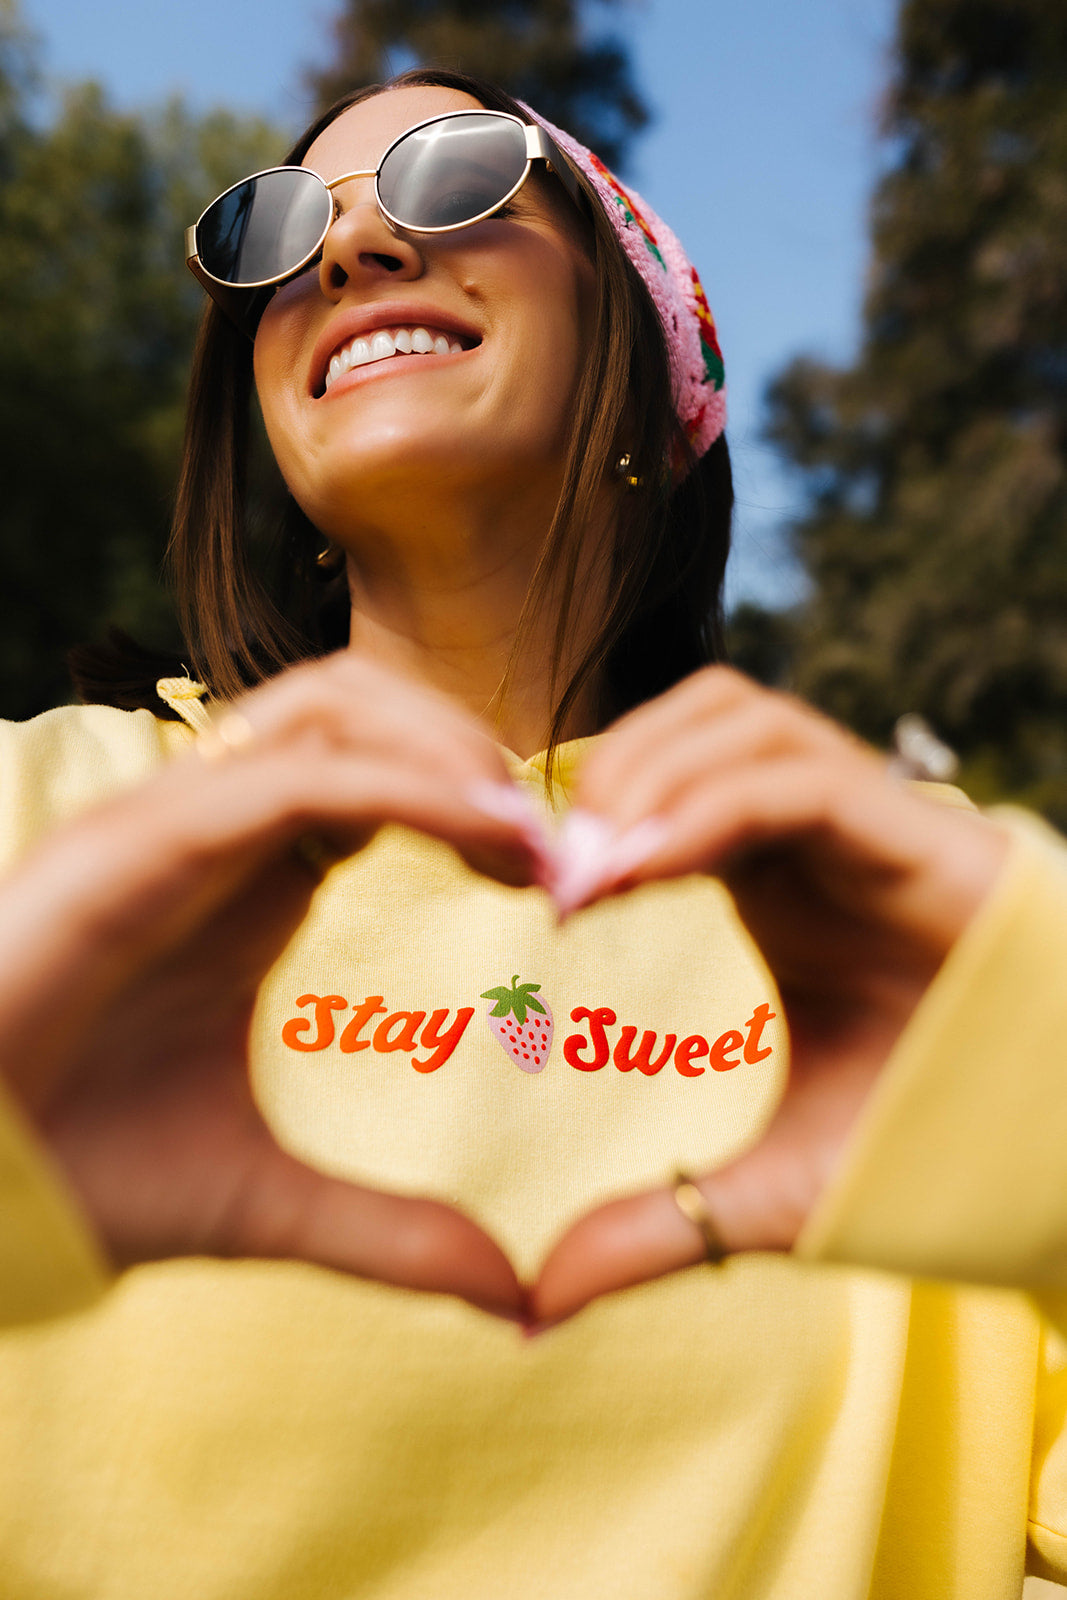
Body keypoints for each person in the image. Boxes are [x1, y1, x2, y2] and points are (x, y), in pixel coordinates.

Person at [1, 65, 1066, 1599]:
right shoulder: (42, 825)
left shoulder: (915, 918)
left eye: (455, 180)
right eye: (282, 229)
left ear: (647, 349)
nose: (348, 254)